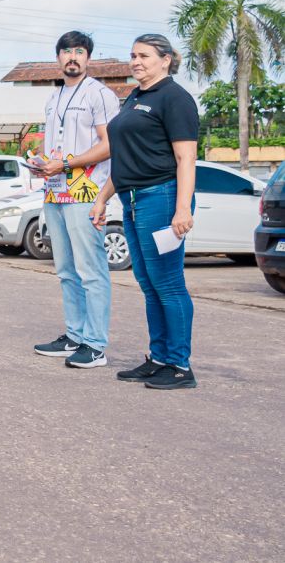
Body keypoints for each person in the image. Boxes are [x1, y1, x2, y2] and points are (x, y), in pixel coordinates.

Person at [89, 34, 199, 389]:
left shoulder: (175, 98)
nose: (136, 62)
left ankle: (180, 366)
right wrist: (103, 198)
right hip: (133, 199)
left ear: (165, 60)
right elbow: (125, 157)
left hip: (162, 197)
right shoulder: (136, 97)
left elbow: (186, 158)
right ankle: (159, 358)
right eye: (133, 55)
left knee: (168, 283)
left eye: (144, 56)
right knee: (148, 284)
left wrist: (182, 209)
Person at [31, 31, 120, 369]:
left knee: (91, 271)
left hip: (86, 191)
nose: (72, 57)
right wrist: (43, 164)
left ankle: (95, 345)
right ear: (58, 57)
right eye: (66, 51)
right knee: (66, 270)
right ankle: (74, 335)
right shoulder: (53, 97)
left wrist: (67, 164)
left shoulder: (100, 94)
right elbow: (56, 145)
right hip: (55, 190)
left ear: (88, 58)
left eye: (79, 51)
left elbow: (110, 144)